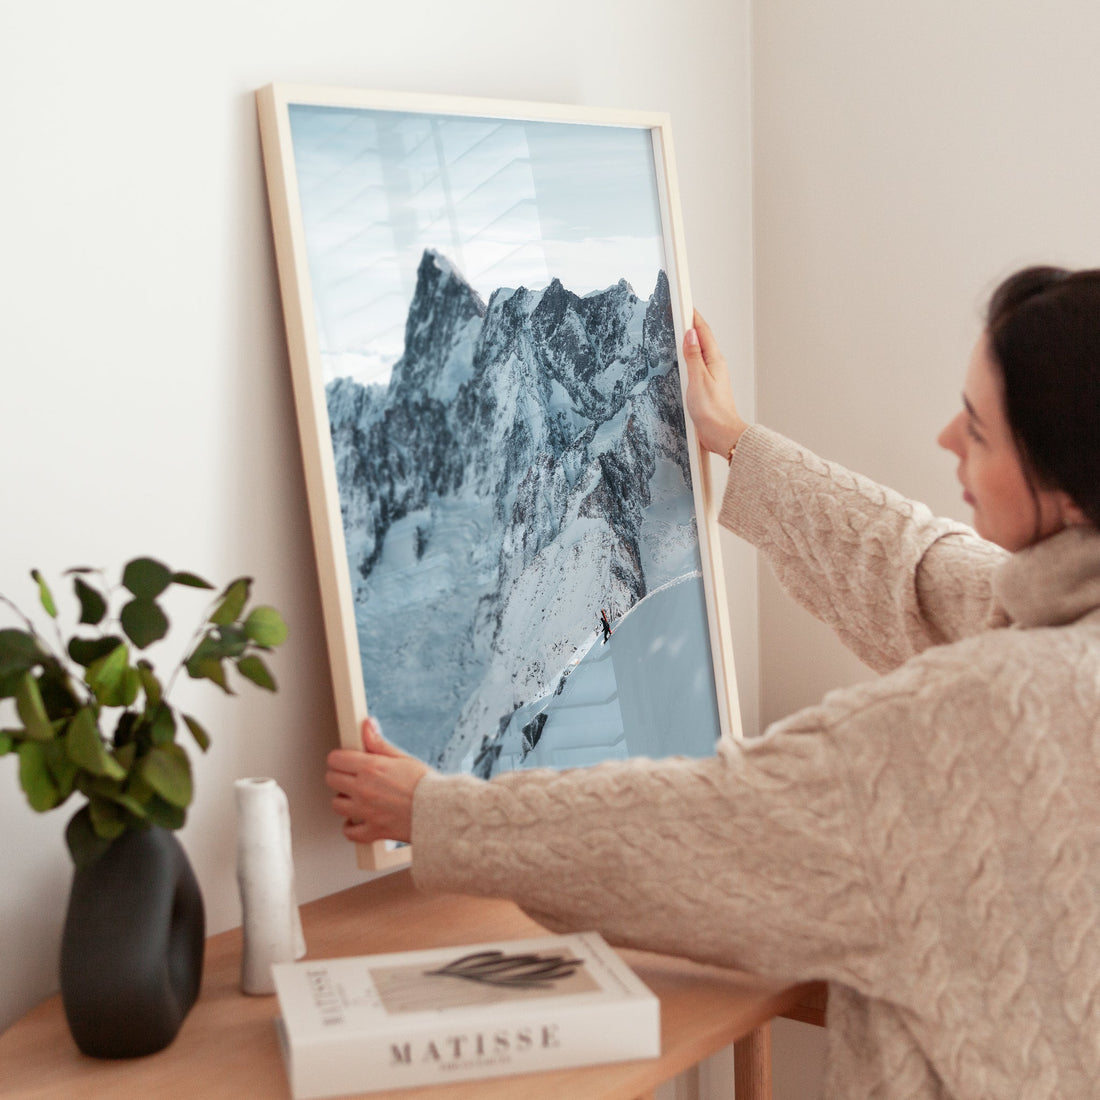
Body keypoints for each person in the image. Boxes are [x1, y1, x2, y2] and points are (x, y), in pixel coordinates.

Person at [325, 266, 1100, 1099]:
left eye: (980, 432)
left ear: (1065, 488)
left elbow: (705, 826)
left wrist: (434, 813)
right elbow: (920, 571)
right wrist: (735, 441)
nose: (947, 438)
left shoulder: (980, 717)